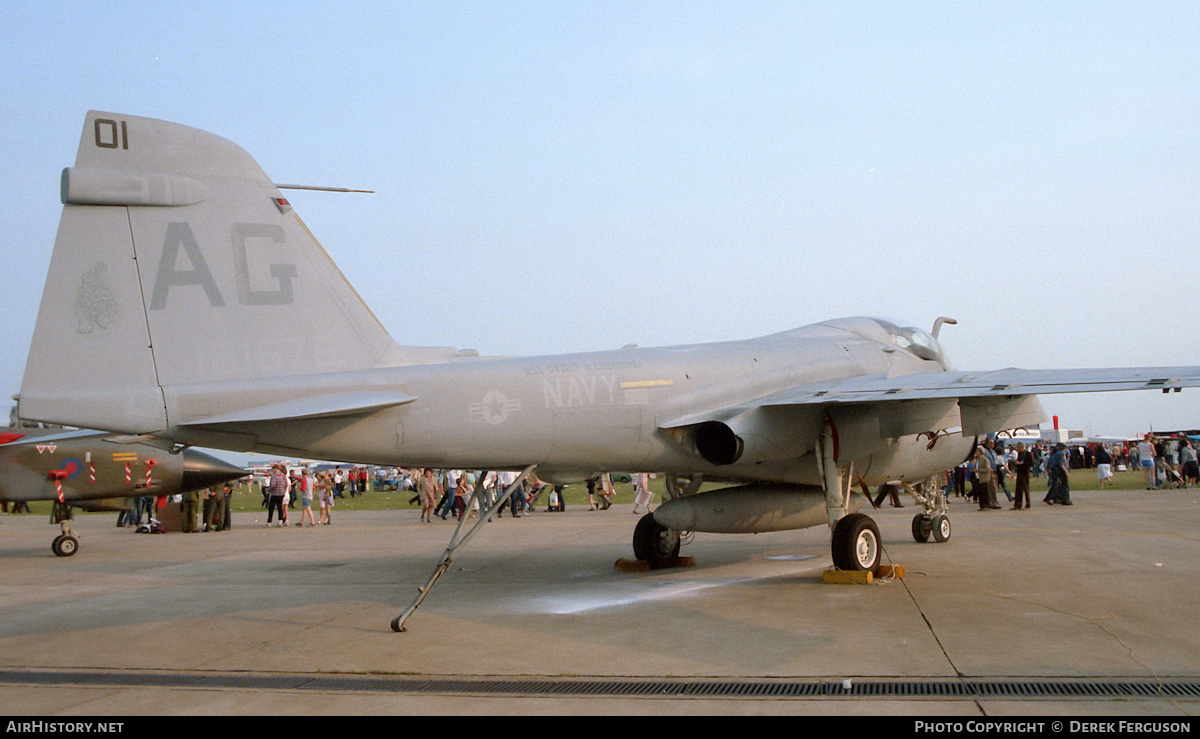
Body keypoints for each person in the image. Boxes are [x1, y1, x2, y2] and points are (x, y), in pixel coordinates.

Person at [1012, 442, 1034, 509]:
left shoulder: (1028, 454)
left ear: (1022, 447)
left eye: (1018, 448)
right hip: (1020, 472)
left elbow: (1032, 463)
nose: (1017, 449)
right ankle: (1018, 505)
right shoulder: (1020, 454)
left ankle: (1028, 503)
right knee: (1018, 489)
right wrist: (1016, 463)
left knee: (1026, 488)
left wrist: (1022, 463)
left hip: (1025, 473)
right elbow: (1018, 461)